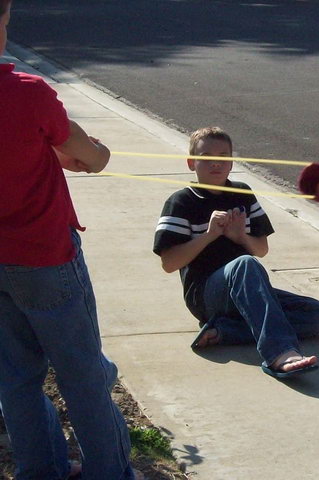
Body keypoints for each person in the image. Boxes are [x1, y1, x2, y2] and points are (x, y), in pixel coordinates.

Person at [0, 2, 142, 478]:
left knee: (17, 379)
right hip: (45, 257)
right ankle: (111, 472)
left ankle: (40, 471)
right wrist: (82, 150)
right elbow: (92, 157)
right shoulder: (28, 93)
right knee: (82, 376)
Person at [153, 127, 319, 378]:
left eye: (223, 156)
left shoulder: (243, 194)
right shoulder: (181, 202)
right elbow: (169, 264)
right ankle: (279, 354)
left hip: (249, 292)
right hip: (207, 296)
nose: (216, 163)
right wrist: (209, 235)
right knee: (244, 264)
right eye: (206, 157)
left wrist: (239, 236)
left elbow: (261, 249)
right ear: (191, 162)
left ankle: (226, 332)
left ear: (231, 162)